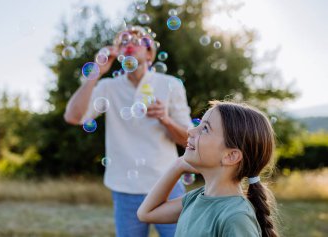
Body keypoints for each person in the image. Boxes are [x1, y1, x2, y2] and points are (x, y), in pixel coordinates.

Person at [64, 25, 192, 237]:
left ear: (150, 53)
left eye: (138, 40)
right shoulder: (108, 87)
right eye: (124, 41)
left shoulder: (170, 85)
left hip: (168, 184)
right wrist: (95, 73)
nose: (129, 44)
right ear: (118, 53)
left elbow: (188, 141)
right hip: (124, 188)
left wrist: (165, 119)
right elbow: (73, 117)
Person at [138, 101, 279, 237]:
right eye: (199, 124)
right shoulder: (196, 198)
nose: (190, 130)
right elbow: (146, 213)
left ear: (231, 156)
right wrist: (177, 166)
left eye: (205, 128)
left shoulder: (236, 217)